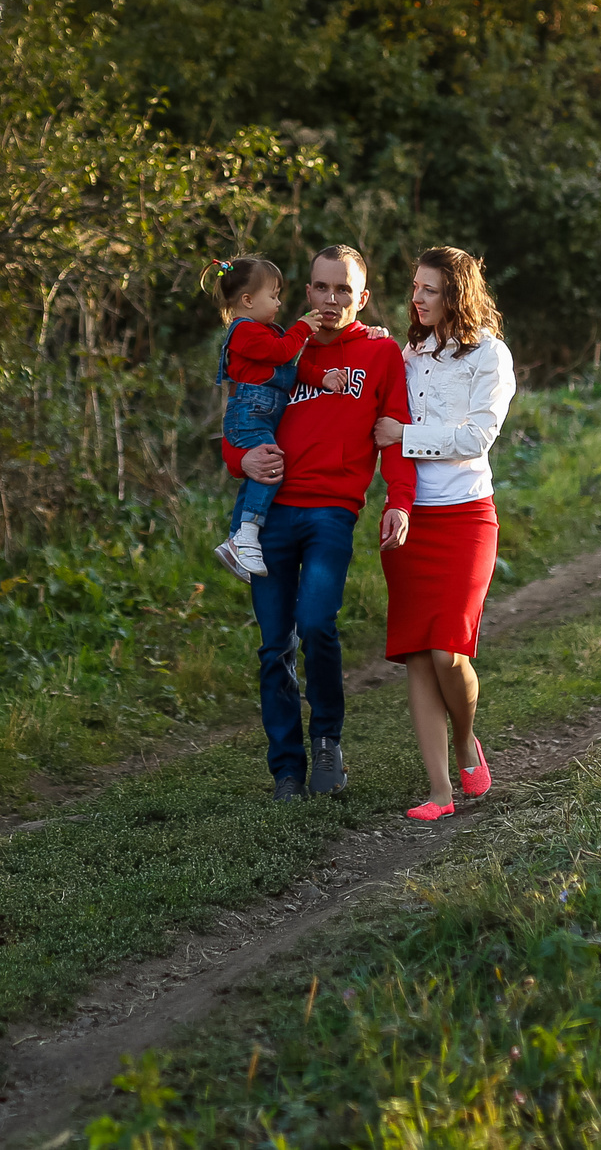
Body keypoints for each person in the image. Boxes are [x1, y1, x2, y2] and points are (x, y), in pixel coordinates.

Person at [228, 245, 414, 802]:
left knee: (316, 624)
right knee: (274, 645)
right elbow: (240, 422)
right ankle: (287, 768)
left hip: (333, 511)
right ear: (306, 293)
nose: (331, 299)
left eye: (343, 289)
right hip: (270, 514)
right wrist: (240, 461)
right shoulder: (275, 346)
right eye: (320, 288)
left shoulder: (381, 354)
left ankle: (328, 742)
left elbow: (396, 434)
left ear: (363, 296)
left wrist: (398, 501)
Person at [374, 246, 514, 821]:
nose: (417, 298)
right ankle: (439, 791)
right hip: (412, 520)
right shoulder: (410, 354)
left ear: (455, 293)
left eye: (429, 289)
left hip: (465, 517)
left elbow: (477, 437)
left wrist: (403, 435)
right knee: (416, 656)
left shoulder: (491, 357)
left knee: (447, 650)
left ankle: (465, 741)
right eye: (414, 287)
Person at [207, 257, 342, 580]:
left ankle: (235, 540)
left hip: (260, 414)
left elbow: (290, 367)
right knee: (270, 468)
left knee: (261, 473)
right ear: (248, 300)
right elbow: (281, 352)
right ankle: (248, 534)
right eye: (274, 295)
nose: (279, 303)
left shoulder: (266, 331)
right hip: (248, 414)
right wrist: (301, 328)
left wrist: (321, 378)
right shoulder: (243, 332)